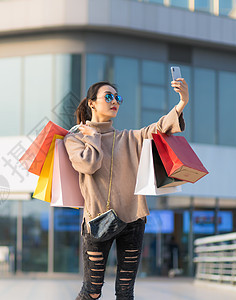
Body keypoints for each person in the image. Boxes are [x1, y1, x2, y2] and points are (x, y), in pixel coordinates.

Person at [63, 78, 188, 300]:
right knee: (91, 291)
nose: (115, 102)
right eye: (108, 97)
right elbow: (88, 165)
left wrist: (181, 102)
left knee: (125, 293)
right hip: (97, 221)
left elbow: (159, 128)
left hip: (133, 221)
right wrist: (93, 138)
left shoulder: (130, 138)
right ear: (92, 104)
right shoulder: (75, 138)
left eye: (117, 98)